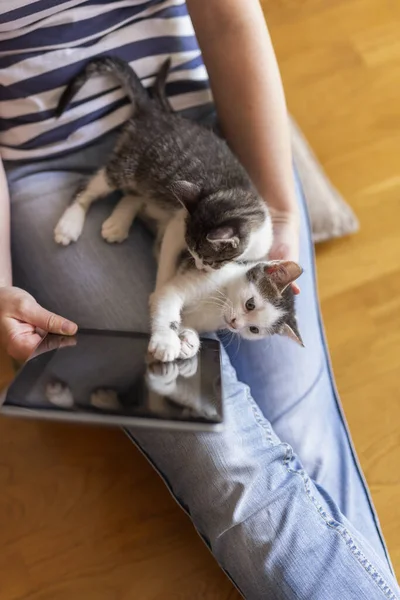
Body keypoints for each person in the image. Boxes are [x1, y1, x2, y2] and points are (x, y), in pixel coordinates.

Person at [0, 1, 398, 598]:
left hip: (200, 143)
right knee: (216, 444)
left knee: (301, 429)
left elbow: (229, 15)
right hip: (43, 167)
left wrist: (281, 213)